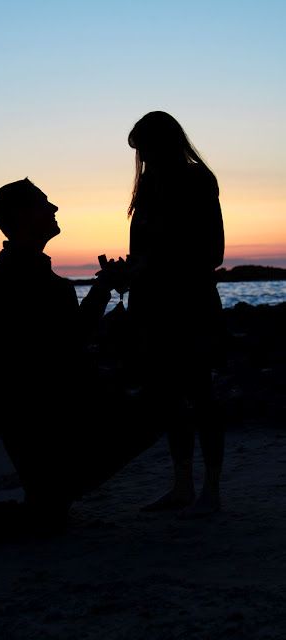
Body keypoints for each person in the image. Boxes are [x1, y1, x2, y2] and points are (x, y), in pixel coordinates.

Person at [0, 178, 160, 547]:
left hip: (47, 405)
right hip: (33, 412)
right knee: (46, 516)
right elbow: (61, 344)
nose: (53, 209)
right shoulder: (15, 277)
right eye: (44, 203)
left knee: (50, 511)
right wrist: (103, 293)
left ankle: (56, 487)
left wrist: (103, 290)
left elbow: (66, 339)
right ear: (22, 216)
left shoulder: (33, 272)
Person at [124, 111, 225, 517]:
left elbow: (212, 252)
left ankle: (212, 490)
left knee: (201, 395)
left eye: (145, 150)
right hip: (152, 305)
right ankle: (182, 485)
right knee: (168, 398)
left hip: (192, 302)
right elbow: (141, 251)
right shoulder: (147, 185)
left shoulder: (198, 179)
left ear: (164, 144)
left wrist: (154, 265)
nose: (142, 161)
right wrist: (129, 271)